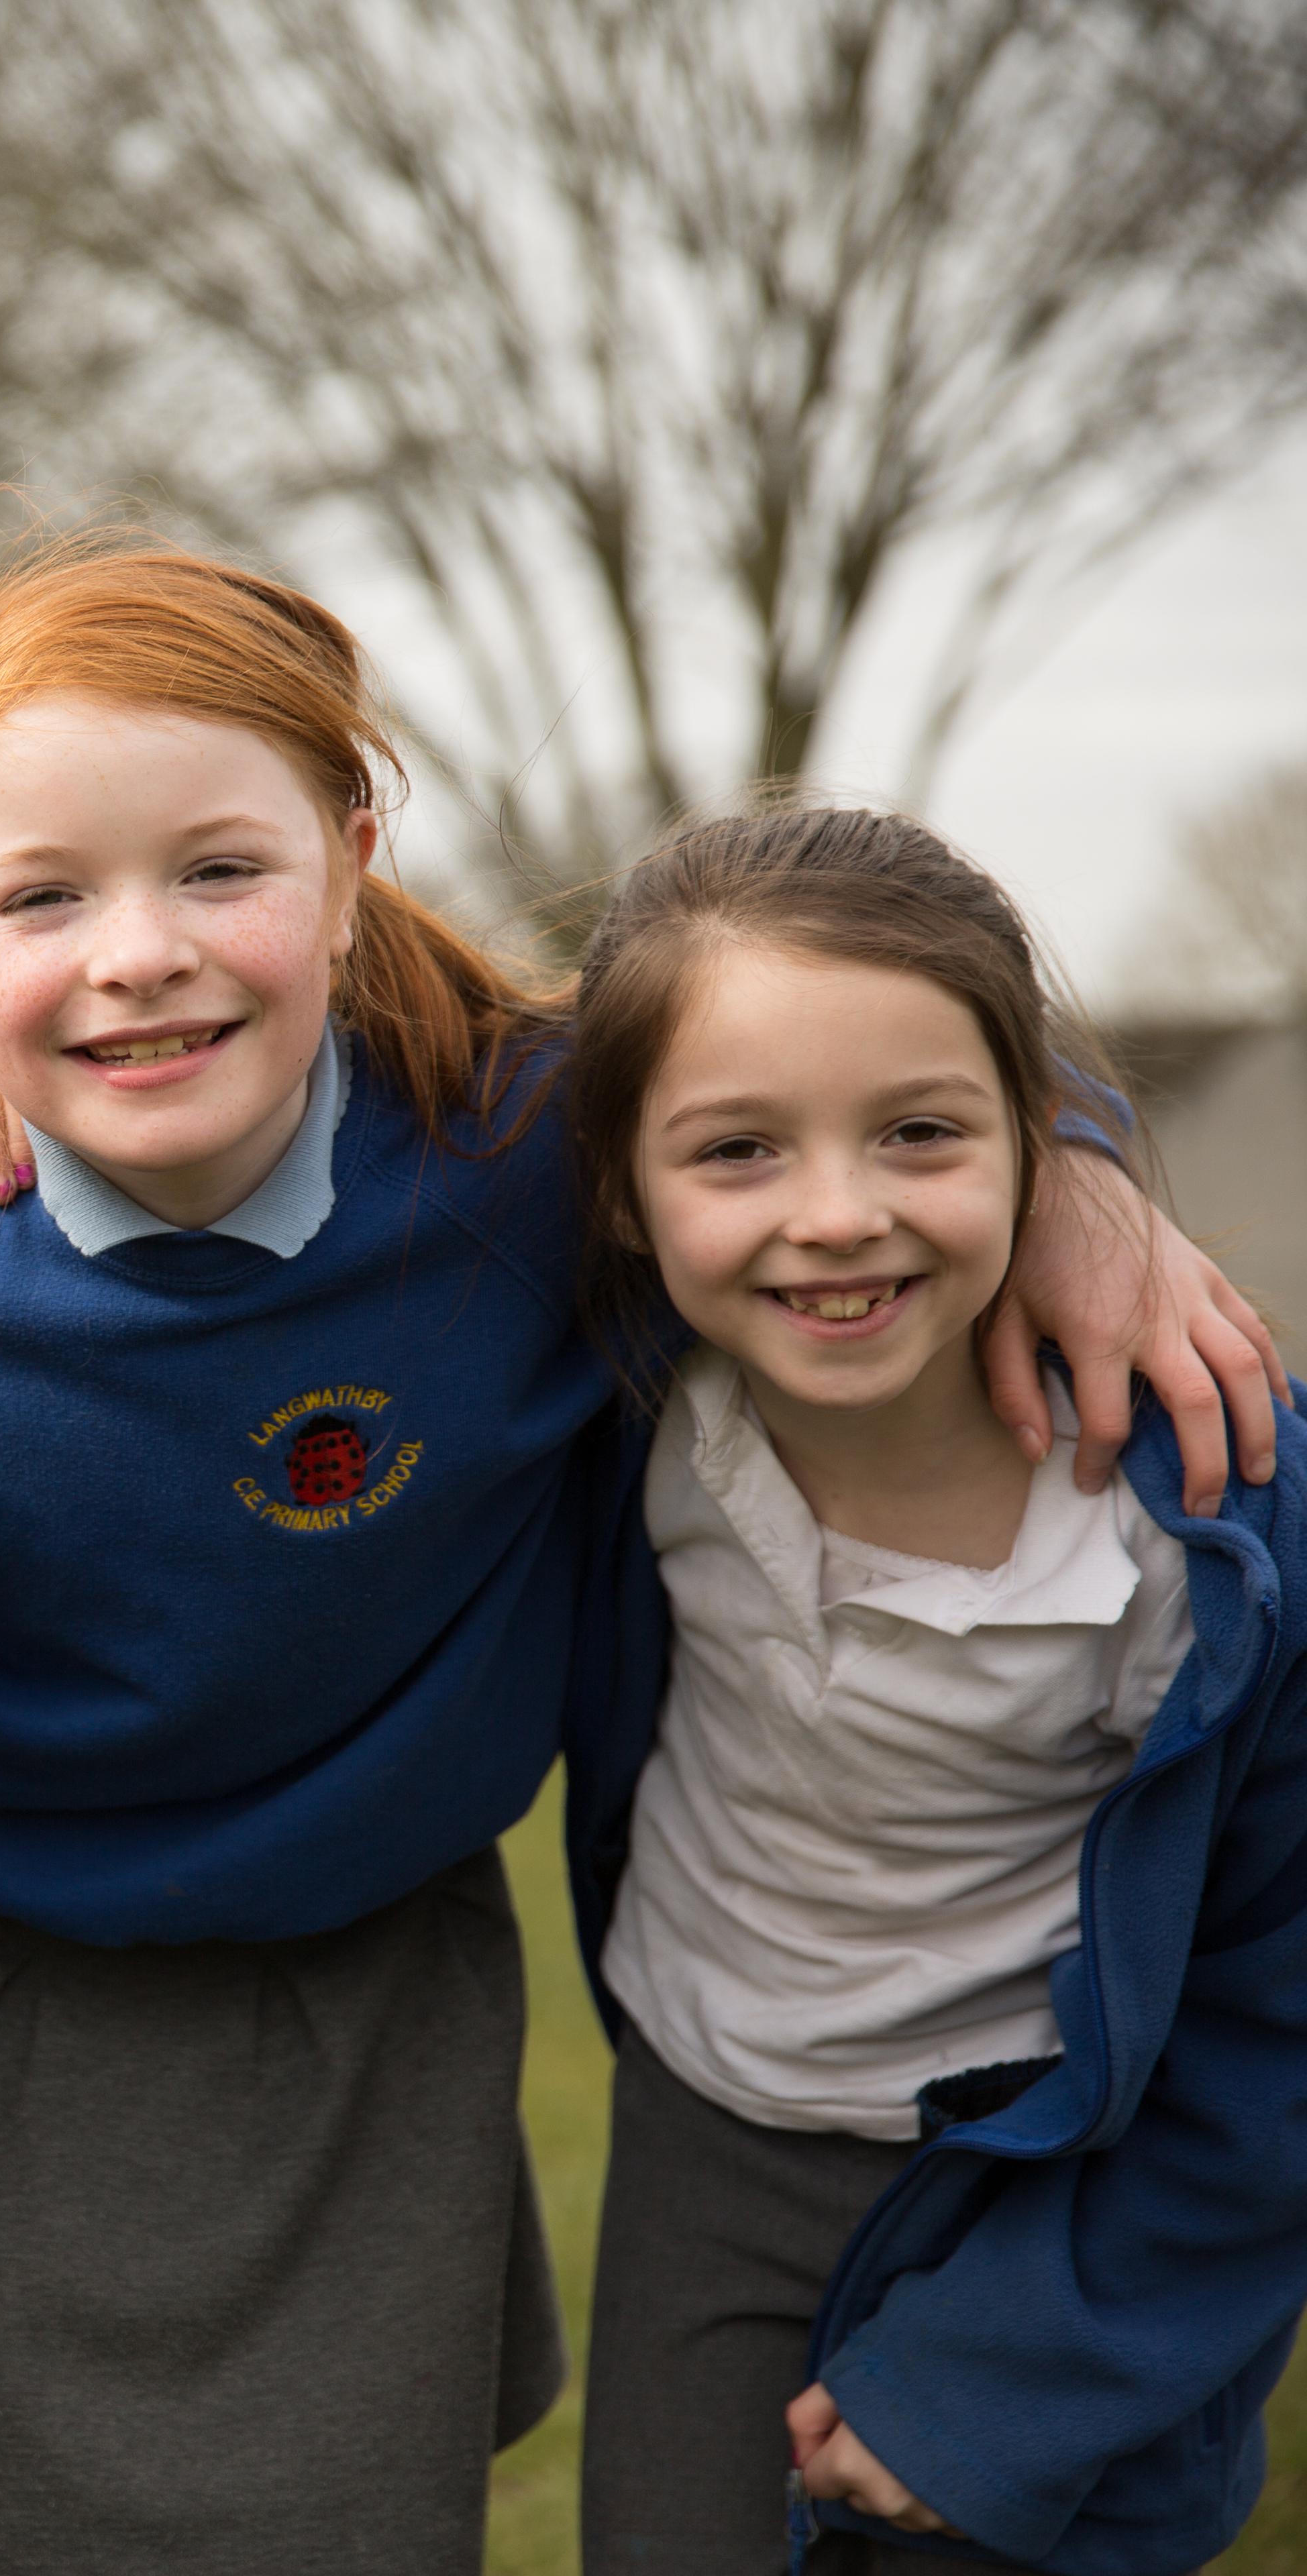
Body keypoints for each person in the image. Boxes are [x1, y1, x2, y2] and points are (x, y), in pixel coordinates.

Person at [0, 535, 1284, 2575]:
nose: (139, 950)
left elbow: (836, 1064)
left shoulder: (530, 1148)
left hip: (355, 2015)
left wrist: (1084, 1177)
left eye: (218, 870)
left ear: (351, 854)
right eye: (43, 900)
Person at [559, 808, 1307, 2574]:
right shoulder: (620, 1402)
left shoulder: (1216, 1527)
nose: (838, 1216)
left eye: (919, 1135)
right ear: (618, 1187)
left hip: (1060, 2195)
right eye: (738, 1150)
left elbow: (1284, 2027)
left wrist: (1005, 2385)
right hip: (704, 2144)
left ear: (1029, 1149)